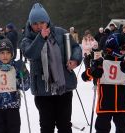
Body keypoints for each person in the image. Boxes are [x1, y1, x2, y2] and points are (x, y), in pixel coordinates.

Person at [20, 3, 82, 133]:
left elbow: (76, 47)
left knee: (64, 124)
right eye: (35, 23)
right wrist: (40, 38)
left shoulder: (61, 32)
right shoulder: (27, 39)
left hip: (63, 87)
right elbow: (31, 54)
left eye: (42, 22)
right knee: (47, 126)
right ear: (30, 24)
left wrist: (75, 59)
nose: (39, 26)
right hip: (43, 90)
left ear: (47, 21)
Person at [81, 33, 125, 133]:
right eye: (123, 47)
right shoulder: (101, 62)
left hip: (123, 105)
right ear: (113, 48)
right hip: (105, 104)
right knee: (102, 129)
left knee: (123, 129)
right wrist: (93, 72)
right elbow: (85, 77)